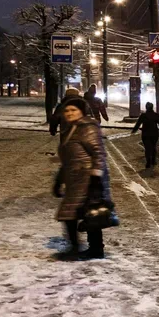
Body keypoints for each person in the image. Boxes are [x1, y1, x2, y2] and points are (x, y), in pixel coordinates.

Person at [53, 97, 111, 259]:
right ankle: (92, 249)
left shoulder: (87, 128)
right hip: (75, 179)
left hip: (87, 178)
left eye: (73, 110)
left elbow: (99, 153)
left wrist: (96, 178)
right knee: (86, 212)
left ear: (81, 111)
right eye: (66, 110)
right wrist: (60, 179)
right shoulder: (72, 128)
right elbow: (68, 158)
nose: (69, 113)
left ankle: (81, 249)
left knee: (78, 213)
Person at [131, 101, 159, 169]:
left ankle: (148, 161)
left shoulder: (143, 115)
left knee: (147, 148)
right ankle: (153, 160)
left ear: (146, 108)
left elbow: (138, 124)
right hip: (154, 133)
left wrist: (134, 130)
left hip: (146, 134)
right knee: (153, 147)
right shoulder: (156, 115)